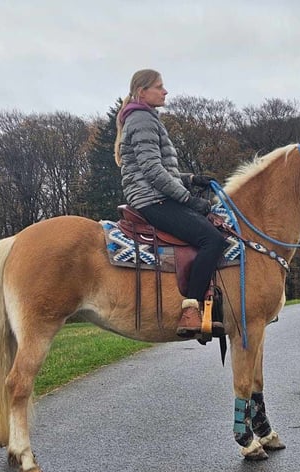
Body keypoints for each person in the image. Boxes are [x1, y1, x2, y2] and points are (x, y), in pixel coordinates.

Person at [114, 69, 228, 338]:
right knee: (212, 240)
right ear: (142, 92)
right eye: (159, 87)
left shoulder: (145, 117)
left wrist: (191, 179)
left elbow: (161, 168)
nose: (165, 92)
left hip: (153, 194)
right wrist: (188, 199)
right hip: (152, 199)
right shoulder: (142, 118)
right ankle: (190, 309)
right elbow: (153, 171)